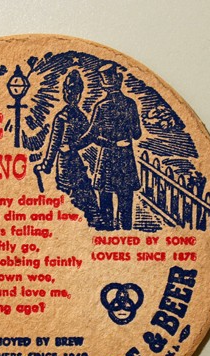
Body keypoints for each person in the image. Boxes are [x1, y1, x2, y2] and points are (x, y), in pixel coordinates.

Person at [66, 62, 142, 230]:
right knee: (125, 202)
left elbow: (91, 135)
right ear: (119, 80)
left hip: (107, 159)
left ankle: (108, 234)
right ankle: (126, 234)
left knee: (105, 202)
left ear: (103, 84)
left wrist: (73, 145)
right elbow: (137, 134)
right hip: (125, 159)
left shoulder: (101, 106)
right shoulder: (130, 104)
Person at [35, 70, 100, 227]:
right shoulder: (69, 117)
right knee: (76, 196)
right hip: (67, 163)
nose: (71, 95)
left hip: (70, 162)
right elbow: (55, 144)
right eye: (70, 90)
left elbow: (87, 137)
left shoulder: (74, 117)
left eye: (74, 91)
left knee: (78, 196)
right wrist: (47, 164)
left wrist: (47, 164)